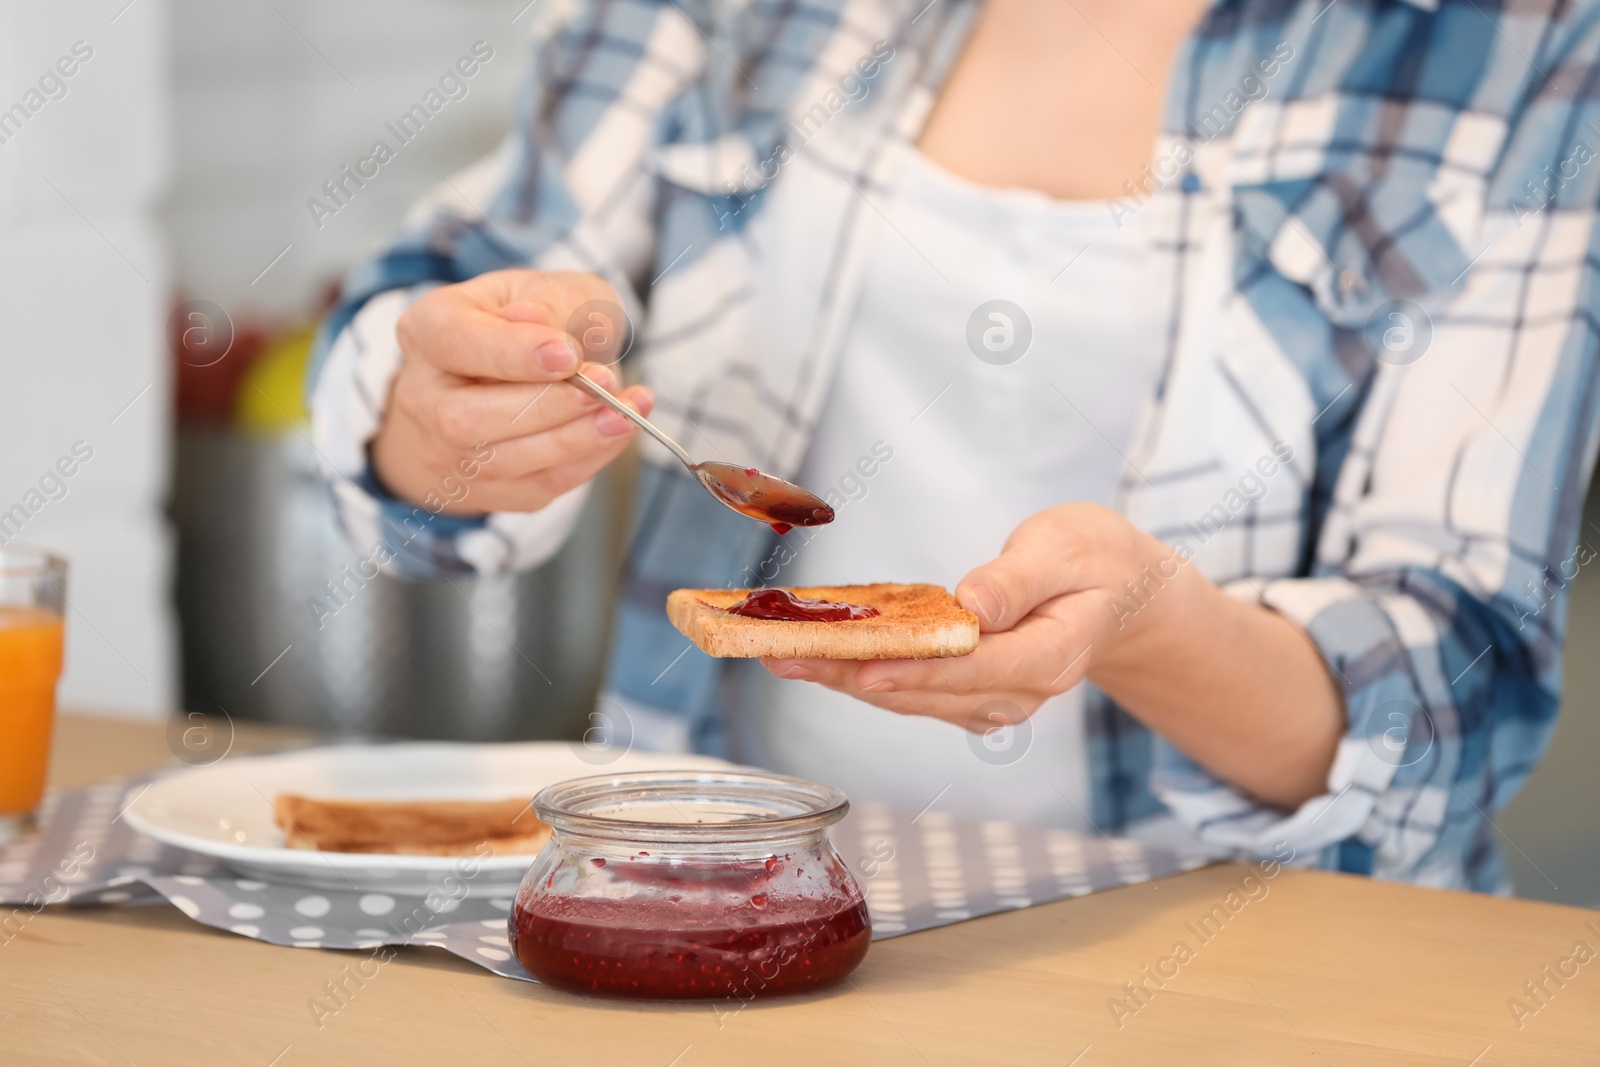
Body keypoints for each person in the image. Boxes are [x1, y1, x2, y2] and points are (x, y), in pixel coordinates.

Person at [309, 0, 1600, 892]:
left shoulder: (1530, 48)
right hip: (723, 914)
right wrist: (448, 415)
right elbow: (450, 306)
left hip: (1256, 984)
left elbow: (1465, 697)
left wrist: (1153, 630)